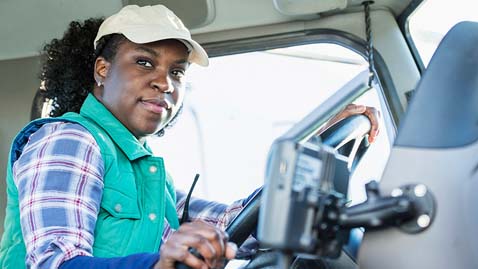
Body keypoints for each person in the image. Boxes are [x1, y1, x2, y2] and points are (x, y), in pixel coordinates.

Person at [0, 5, 379, 269]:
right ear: (102, 70)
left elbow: (236, 225)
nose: (165, 82)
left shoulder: (148, 172)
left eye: (177, 73)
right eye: (144, 63)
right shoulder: (69, 141)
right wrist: (160, 264)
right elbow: (55, 263)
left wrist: (315, 147)